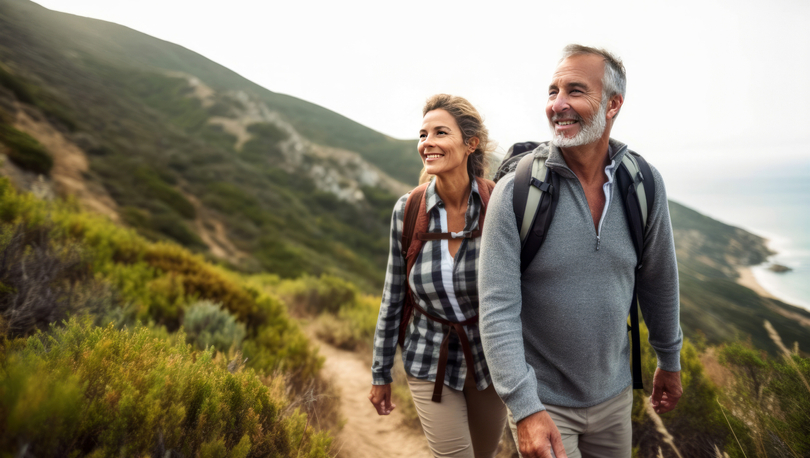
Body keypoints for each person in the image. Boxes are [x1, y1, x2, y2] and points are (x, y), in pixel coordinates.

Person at [478, 45, 684, 458]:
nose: (558, 105)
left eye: (575, 90)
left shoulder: (644, 183)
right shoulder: (515, 192)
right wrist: (525, 408)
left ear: (613, 104)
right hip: (545, 404)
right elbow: (497, 307)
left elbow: (658, 278)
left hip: (615, 398)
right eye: (552, 91)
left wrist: (669, 357)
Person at [370, 94, 507, 458]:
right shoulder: (409, 209)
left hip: (490, 361)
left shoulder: (498, 206)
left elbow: (524, 291)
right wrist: (380, 373)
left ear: (470, 144)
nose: (426, 143)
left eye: (440, 133)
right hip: (429, 357)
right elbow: (393, 295)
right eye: (422, 134)